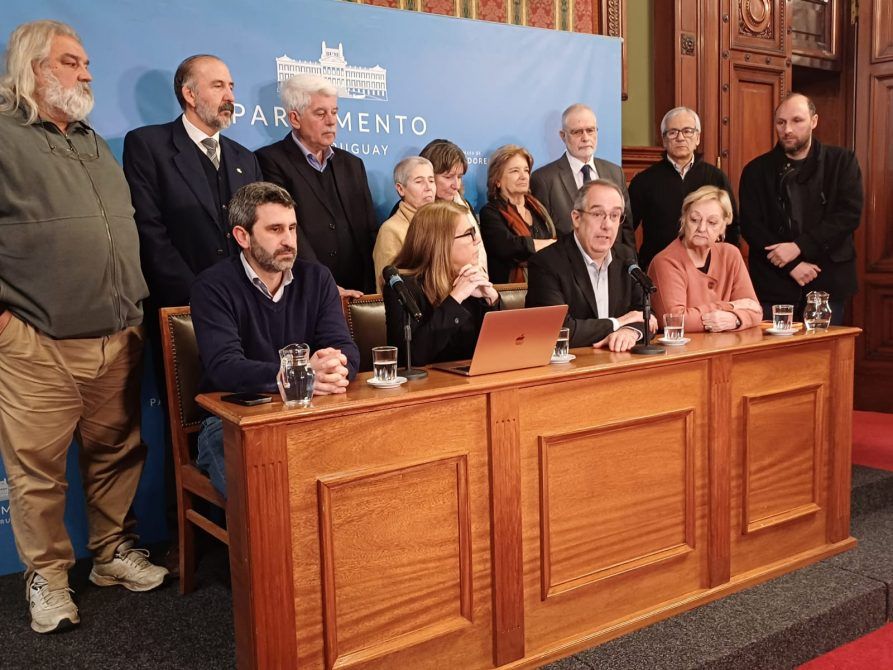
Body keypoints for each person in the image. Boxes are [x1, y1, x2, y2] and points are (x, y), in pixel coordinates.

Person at [0, 20, 168, 634]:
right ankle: (46, 578)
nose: (86, 73)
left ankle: (111, 554)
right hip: (37, 343)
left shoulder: (94, 141)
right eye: (72, 62)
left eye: (86, 63)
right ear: (33, 66)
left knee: (117, 454)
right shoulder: (3, 135)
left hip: (118, 335)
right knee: (37, 473)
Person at [191, 182, 359, 498]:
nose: (289, 241)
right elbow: (224, 367)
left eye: (293, 229)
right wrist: (297, 376)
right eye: (275, 229)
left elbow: (345, 346)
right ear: (243, 236)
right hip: (231, 421)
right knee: (269, 499)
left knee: (361, 475)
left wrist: (337, 368)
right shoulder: (212, 286)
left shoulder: (317, 277)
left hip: (309, 412)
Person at [123, 54, 263, 309]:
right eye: (218, 86)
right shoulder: (149, 146)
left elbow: (258, 230)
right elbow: (149, 230)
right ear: (190, 95)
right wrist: (196, 294)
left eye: (231, 87)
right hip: (180, 306)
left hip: (245, 305)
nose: (230, 97)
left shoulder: (245, 158)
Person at [739, 93, 863, 324]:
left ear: (814, 121)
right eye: (781, 122)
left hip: (828, 280)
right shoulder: (755, 170)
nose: (787, 129)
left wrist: (798, 247)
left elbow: (848, 216)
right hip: (774, 282)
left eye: (797, 120)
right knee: (773, 359)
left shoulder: (842, 161)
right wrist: (792, 265)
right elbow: (751, 226)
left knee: (824, 357)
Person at [255, 74, 376, 295]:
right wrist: (325, 285)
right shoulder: (269, 162)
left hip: (359, 292)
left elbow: (368, 230)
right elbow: (286, 233)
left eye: (334, 112)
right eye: (320, 113)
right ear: (295, 118)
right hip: (305, 290)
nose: (331, 120)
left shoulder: (352, 164)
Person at [526, 180, 652, 352]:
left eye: (614, 216)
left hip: (616, 362)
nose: (607, 225)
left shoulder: (625, 257)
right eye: (597, 214)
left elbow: (644, 315)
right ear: (576, 218)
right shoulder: (546, 263)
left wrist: (630, 331)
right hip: (566, 369)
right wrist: (618, 323)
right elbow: (558, 330)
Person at [384, 201, 499, 366]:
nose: (478, 240)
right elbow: (410, 358)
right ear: (441, 242)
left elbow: (497, 353)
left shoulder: (472, 281)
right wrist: (455, 298)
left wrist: (491, 302)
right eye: (469, 234)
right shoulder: (403, 288)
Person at [629, 106, 739, 270]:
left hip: (707, 270)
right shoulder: (644, 180)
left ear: (697, 138)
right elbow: (625, 229)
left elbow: (732, 226)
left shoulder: (716, 178)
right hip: (658, 269)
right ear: (664, 140)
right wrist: (636, 266)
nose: (680, 137)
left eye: (687, 131)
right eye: (673, 132)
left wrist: (722, 267)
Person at [648, 186, 762, 333]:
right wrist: (731, 307)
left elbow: (755, 310)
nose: (701, 228)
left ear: (723, 227)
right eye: (695, 220)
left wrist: (734, 319)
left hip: (727, 347)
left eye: (712, 222)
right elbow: (674, 320)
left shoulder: (731, 254)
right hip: (683, 352)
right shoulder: (665, 262)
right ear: (684, 219)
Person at [530, 103, 635, 253]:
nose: (585, 138)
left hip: (611, 266)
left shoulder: (615, 173)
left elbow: (626, 231)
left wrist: (630, 266)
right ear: (563, 136)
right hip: (566, 269)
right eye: (577, 132)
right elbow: (543, 237)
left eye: (590, 130)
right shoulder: (543, 179)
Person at [479, 144, 557, 283]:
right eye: (515, 171)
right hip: (513, 294)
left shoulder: (538, 208)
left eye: (526, 170)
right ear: (497, 180)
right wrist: (549, 244)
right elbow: (509, 247)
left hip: (547, 284)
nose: (523, 176)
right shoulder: (490, 213)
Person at [418, 138, 488, 273]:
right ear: (429, 175)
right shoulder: (415, 215)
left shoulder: (465, 206)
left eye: (460, 177)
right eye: (448, 177)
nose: (456, 185)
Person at [372, 156, 436, 290]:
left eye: (431, 180)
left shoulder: (444, 223)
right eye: (419, 181)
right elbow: (386, 286)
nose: (428, 187)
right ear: (400, 189)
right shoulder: (390, 230)